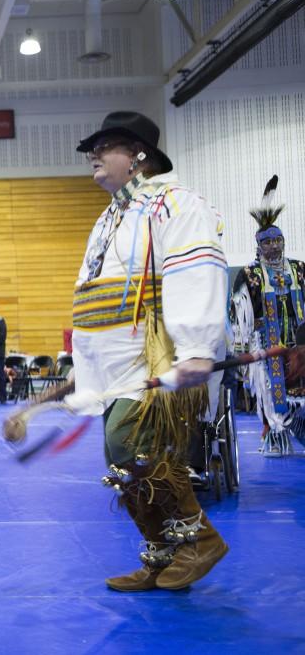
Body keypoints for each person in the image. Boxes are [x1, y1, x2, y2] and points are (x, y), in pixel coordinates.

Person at [68, 111, 228, 591]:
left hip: (155, 355)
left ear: (139, 156)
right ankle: (160, 554)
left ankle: (200, 539)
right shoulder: (112, 215)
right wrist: (85, 367)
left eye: (107, 145)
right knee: (120, 461)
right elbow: (96, 295)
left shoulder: (174, 204)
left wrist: (198, 346)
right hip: (113, 362)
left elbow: (195, 268)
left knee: (130, 445)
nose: (94, 155)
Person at [231, 176, 305, 456]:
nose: (273, 247)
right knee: (270, 391)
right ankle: (275, 435)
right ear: (258, 245)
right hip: (265, 342)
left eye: (278, 240)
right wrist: (240, 348)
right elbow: (239, 314)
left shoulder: (299, 269)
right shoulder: (249, 275)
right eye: (267, 242)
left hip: (299, 342)